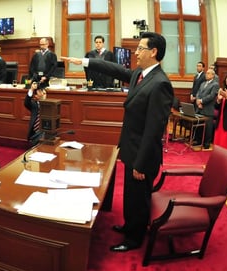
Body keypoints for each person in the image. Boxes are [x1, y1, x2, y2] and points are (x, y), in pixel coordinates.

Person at [63, 32, 174, 252]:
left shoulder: (160, 83)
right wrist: (84, 61)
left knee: (139, 197)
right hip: (131, 148)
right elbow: (115, 69)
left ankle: (134, 239)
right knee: (130, 194)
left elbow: (153, 130)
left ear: (153, 52)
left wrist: (141, 164)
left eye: (140, 48)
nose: (136, 52)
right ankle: (129, 226)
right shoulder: (140, 74)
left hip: (143, 155)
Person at [193, 69, 219, 149]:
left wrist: (201, 101)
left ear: (212, 75)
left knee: (208, 127)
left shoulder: (215, 84)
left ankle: (207, 143)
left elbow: (211, 96)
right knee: (199, 125)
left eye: (208, 73)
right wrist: (198, 100)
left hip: (208, 108)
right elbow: (198, 93)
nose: (206, 75)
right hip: (200, 108)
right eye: (206, 73)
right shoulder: (202, 83)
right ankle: (198, 141)